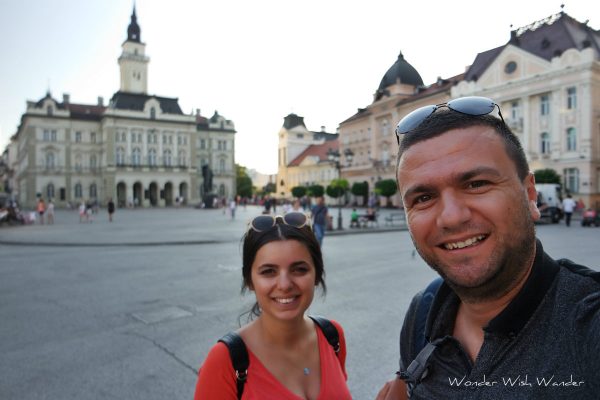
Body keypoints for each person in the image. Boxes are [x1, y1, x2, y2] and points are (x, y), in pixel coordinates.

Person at [376, 96, 600, 400]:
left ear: (530, 193)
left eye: (477, 184)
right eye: (424, 198)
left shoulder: (588, 321)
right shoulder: (425, 311)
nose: (452, 217)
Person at [194, 212, 351, 399]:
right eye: (268, 271)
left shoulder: (332, 336)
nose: (284, 284)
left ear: (316, 274)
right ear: (250, 281)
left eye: (299, 269)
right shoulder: (224, 361)